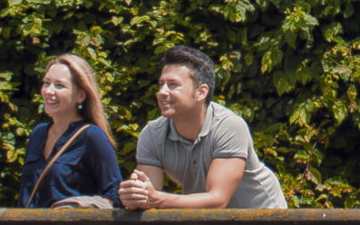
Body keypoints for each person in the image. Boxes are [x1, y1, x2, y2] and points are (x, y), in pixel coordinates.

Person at [117, 46, 289, 209]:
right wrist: (135, 196)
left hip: (265, 217)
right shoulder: (151, 134)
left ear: (201, 92)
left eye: (173, 85)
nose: (162, 92)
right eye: (161, 84)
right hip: (211, 221)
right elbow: (149, 194)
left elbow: (217, 200)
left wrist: (157, 199)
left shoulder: (229, 126)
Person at [17, 54, 124, 208]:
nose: (49, 91)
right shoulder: (38, 133)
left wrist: (87, 208)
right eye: (46, 83)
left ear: (81, 96)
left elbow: (115, 193)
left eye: (59, 85)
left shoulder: (91, 135)